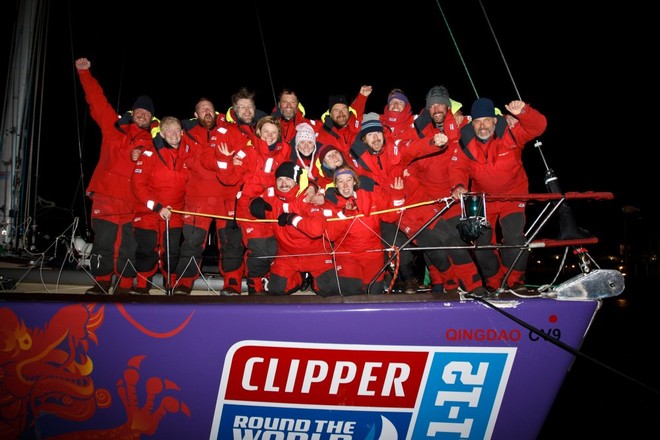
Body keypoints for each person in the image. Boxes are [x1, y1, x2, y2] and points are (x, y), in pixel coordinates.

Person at [75, 57, 158, 295]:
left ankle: (124, 285)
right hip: (107, 196)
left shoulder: (152, 142)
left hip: (133, 201)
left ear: (151, 118)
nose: (142, 115)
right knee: (104, 242)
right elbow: (97, 101)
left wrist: (140, 155)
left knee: (129, 245)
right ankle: (101, 281)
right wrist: (84, 74)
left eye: (147, 113)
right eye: (139, 111)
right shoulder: (113, 128)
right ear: (132, 113)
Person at [450, 97, 548, 295]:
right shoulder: (464, 141)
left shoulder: (510, 133)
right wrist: (458, 186)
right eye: (477, 121)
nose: (482, 126)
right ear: (472, 123)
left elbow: (539, 126)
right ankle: (494, 281)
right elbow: (457, 166)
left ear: (495, 120)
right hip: (484, 199)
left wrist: (524, 112)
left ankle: (515, 281)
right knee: (480, 242)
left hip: (513, 197)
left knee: (514, 238)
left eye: (486, 120)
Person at [401, 85, 485, 295]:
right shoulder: (418, 129)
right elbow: (406, 151)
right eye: (433, 105)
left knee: (455, 244)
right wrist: (407, 174)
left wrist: (507, 118)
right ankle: (442, 288)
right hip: (427, 201)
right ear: (427, 109)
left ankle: (474, 287)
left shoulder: (461, 124)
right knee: (434, 249)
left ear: (448, 106)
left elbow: (489, 118)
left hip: (453, 198)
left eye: (441, 104)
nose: (437, 108)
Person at [350, 112, 446, 293]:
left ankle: (443, 283)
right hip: (387, 211)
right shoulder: (360, 166)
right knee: (392, 238)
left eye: (377, 133)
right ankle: (408, 278)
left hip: (409, 207)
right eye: (370, 135)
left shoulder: (395, 150)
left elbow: (415, 148)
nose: (376, 138)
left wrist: (433, 142)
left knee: (432, 242)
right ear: (364, 140)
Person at [200, 87, 268, 294]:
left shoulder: (264, 129)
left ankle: (257, 283)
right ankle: (232, 283)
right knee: (231, 244)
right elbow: (206, 159)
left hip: (257, 198)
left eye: (250, 106)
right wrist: (226, 159)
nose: (247, 111)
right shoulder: (224, 131)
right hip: (230, 199)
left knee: (259, 243)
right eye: (242, 107)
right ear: (234, 110)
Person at [213, 115, 291, 294]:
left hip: (272, 210)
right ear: (259, 132)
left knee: (272, 248)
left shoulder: (283, 154)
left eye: (274, 132)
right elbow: (229, 178)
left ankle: (261, 282)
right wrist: (225, 161)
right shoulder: (248, 152)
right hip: (249, 210)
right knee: (259, 247)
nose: (270, 135)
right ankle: (254, 286)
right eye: (266, 131)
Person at [171, 98, 239, 295]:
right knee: (191, 243)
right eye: (202, 109)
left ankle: (232, 282)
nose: (207, 112)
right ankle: (184, 281)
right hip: (197, 200)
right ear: (196, 115)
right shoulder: (187, 135)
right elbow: (166, 144)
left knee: (230, 244)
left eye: (210, 108)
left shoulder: (229, 130)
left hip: (226, 197)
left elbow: (245, 148)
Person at [248, 162, 343, 296]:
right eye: (280, 179)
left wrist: (292, 218)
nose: (283, 184)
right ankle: (299, 278)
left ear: (296, 181)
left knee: (330, 289)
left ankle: (312, 279)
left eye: (288, 179)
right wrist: (253, 204)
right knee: (277, 289)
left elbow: (316, 229)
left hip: (315, 253)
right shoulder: (271, 195)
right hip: (287, 254)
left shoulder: (308, 196)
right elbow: (247, 199)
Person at [324, 165, 406, 294]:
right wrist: (346, 215)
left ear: (355, 182)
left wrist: (397, 195)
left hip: (372, 253)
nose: (345, 185)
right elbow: (330, 235)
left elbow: (390, 216)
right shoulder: (331, 203)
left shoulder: (371, 196)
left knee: (374, 292)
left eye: (348, 180)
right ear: (336, 185)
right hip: (347, 255)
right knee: (351, 291)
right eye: (340, 181)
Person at [130, 116, 188, 295]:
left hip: (174, 213)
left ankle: (170, 282)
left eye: (177, 130)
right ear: (162, 133)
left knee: (172, 251)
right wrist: (156, 207)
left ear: (182, 132)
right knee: (146, 248)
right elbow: (137, 185)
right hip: (149, 212)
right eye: (169, 131)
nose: (174, 134)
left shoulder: (187, 154)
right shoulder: (149, 153)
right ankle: (142, 284)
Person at [314, 86, 372, 154]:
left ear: (348, 111)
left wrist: (362, 96)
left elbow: (357, 109)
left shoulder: (356, 122)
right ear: (330, 114)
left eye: (344, 109)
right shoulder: (323, 132)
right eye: (336, 110)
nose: (341, 113)